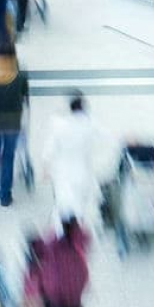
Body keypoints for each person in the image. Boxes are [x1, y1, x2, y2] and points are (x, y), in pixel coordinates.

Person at [41, 94, 106, 228]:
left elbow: (49, 149)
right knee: (80, 203)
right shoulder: (90, 123)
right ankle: (77, 231)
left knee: (63, 205)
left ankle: (62, 235)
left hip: (63, 172)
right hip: (82, 171)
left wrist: (46, 168)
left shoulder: (61, 125)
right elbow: (105, 136)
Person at [0, 41, 30, 207]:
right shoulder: (21, 78)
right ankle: (5, 196)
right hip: (13, 123)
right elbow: (24, 98)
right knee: (8, 158)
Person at [23, 216, 91, 307]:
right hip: (73, 303)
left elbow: (32, 291)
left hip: (57, 303)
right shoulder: (75, 250)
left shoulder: (46, 256)